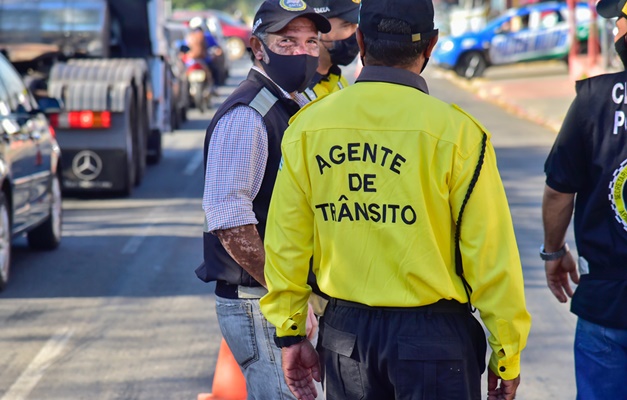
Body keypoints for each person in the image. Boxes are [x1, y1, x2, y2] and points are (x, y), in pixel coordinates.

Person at [259, 0, 532, 399]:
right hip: (436, 343)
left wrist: (290, 331)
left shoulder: (308, 128)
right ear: (431, 45)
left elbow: (287, 242)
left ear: (361, 40)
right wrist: (507, 353)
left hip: (346, 341)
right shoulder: (459, 134)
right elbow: (490, 256)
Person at [194, 1, 330, 399]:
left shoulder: (293, 103)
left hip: (277, 299)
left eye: (310, 42)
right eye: (286, 42)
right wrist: (284, 291)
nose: (302, 52)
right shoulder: (249, 114)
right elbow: (229, 219)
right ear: (257, 48)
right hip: (258, 302)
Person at [542, 0, 627, 398]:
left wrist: (553, 251)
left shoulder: (594, 98)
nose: (614, 31)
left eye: (620, 21)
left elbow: (560, 190)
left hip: (606, 305)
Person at [302, 0, 361, 101]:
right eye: (346, 25)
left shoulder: (338, 80)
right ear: (317, 29)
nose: (356, 33)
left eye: (356, 25)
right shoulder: (296, 93)